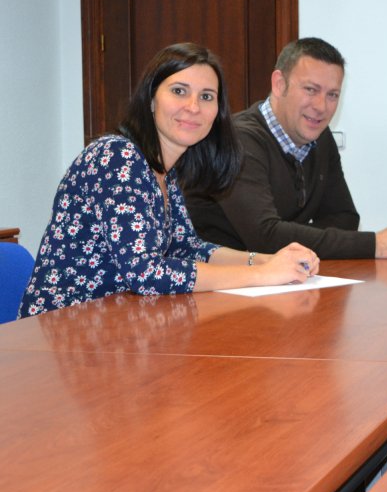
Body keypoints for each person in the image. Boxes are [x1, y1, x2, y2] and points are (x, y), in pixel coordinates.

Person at [20, 44, 318, 317]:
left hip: (120, 328)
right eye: (179, 91)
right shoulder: (116, 156)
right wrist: (262, 276)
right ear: (151, 99)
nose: (193, 106)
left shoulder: (165, 172)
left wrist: (268, 260)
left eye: (206, 96)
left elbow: (188, 248)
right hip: (62, 334)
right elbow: (146, 273)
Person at [186, 37, 387, 259]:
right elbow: (265, 237)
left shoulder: (320, 137)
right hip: (212, 287)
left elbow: (344, 218)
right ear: (279, 84)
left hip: (277, 280)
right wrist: (375, 245)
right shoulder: (237, 139)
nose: (321, 106)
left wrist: (286, 235)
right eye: (311, 89)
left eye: (332, 95)